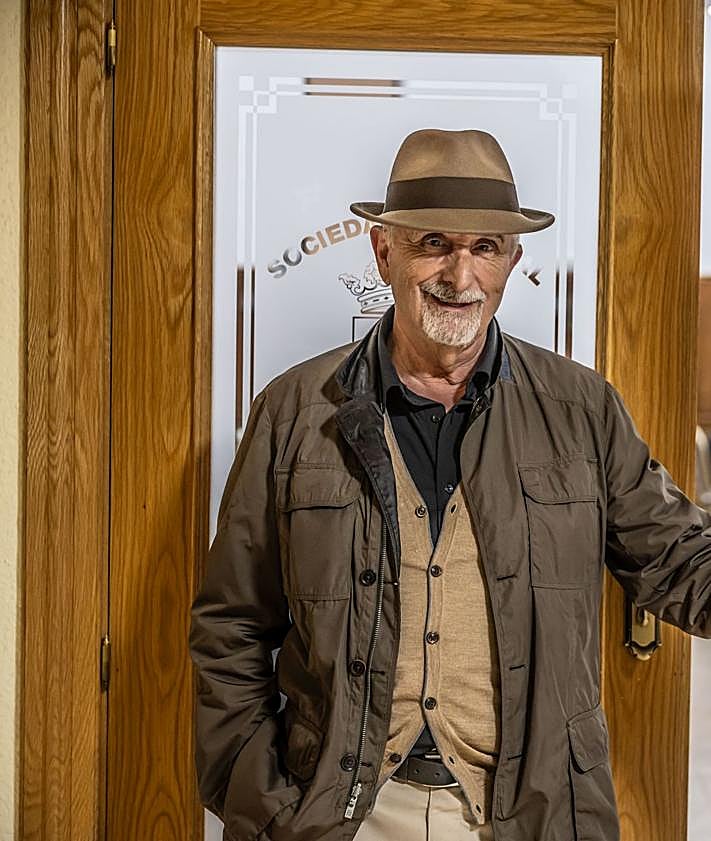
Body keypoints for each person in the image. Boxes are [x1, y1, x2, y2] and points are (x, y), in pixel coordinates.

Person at [189, 129, 711, 841]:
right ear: (384, 251)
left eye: (485, 248)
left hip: (526, 815)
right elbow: (231, 628)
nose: (459, 276)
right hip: (342, 814)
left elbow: (680, 562)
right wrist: (266, 809)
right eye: (433, 242)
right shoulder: (294, 409)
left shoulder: (581, 409)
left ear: (511, 261)